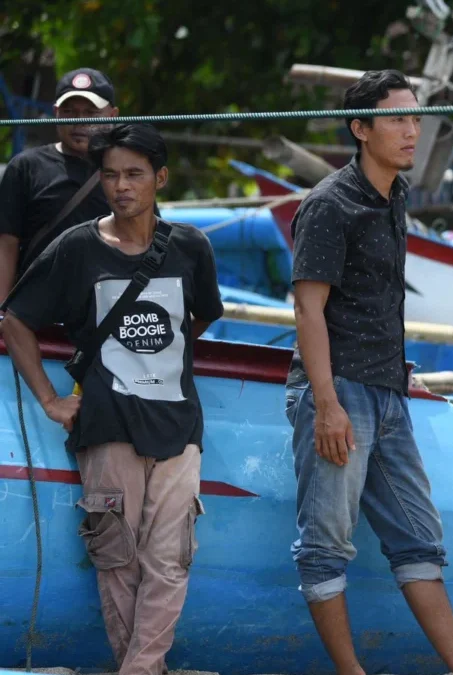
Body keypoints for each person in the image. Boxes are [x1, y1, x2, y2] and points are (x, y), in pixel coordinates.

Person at [284, 69, 453, 675]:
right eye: (398, 118)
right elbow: (308, 309)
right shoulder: (329, 204)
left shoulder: (395, 194)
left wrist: (401, 374)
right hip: (339, 392)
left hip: (387, 391)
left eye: (415, 117)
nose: (412, 129)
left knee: (419, 539)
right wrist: (325, 404)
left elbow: (375, 303)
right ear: (360, 128)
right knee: (325, 547)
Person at [0, 123, 224, 675]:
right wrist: (52, 400)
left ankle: (139, 670)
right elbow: (16, 319)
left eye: (134, 174)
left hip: (177, 426)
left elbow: (199, 317)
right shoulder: (77, 248)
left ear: (160, 179)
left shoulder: (191, 248)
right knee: (118, 561)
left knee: (169, 561)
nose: (121, 186)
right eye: (110, 175)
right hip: (105, 425)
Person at [0, 68, 121, 303]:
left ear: (113, 114)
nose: (79, 121)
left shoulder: (128, 170)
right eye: (69, 112)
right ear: (56, 113)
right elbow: (6, 243)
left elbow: (146, 238)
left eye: (91, 113)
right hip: (35, 307)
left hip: (107, 307)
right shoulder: (25, 167)